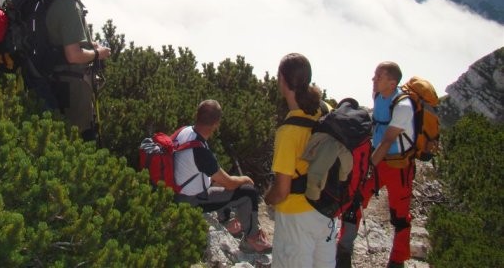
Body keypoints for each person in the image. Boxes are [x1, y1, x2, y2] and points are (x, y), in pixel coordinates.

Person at [336, 62, 415, 268]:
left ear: (392, 82)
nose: (373, 80)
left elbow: (388, 139)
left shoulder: (403, 106)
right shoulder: (379, 95)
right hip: (379, 161)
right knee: (354, 202)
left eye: (378, 77)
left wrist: (368, 166)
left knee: (400, 216)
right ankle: (343, 251)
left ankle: (397, 260)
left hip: (399, 167)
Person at [264, 53, 337, 268]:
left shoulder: (288, 132)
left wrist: (267, 199)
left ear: (282, 80)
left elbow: (282, 190)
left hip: (296, 215)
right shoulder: (326, 111)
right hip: (326, 207)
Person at [173, 99, 272, 254]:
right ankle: (252, 239)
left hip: (176, 192)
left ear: (197, 115)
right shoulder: (200, 151)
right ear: (216, 124)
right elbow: (230, 183)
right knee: (248, 192)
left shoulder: (184, 132)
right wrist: (246, 179)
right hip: (191, 201)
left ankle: (230, 224)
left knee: (218, 185)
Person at [45, 0, 111, 141]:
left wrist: (90, 45)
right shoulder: (69, 7)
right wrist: (98, 54)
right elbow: (73, 55)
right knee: (81, 134)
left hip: (58, 78)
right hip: (72, 83)